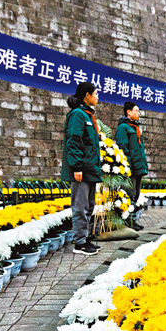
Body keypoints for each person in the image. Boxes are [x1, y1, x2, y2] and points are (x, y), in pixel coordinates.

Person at [62, 82, 102, 256]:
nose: (97, 96)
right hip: (81, 170)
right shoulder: (78, 115)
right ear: (87, 95)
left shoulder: (87, 115)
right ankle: (79, 243)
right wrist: (77, 167)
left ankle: (84, 239)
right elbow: (74, 141)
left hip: (89, 169)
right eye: (95, 93)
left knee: (88, 206)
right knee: (80, 207)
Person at [115, 102, 149, 206]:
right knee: (129, 195)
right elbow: (123, 149)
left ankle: (133, 220)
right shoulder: (123, 128)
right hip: (131, 168)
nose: (139, 113)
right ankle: (128, 221)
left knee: (136, 195)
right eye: (136, 111)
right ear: (129, 112)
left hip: (138, 167)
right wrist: (127, 167)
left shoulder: (136, 128)